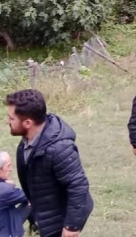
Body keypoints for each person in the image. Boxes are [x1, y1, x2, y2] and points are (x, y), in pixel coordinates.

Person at [5, 89, 93, 237]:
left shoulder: (60, 148)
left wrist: (71, 226)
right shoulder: (29, 138)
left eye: (11, 118)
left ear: (28, 123)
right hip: (43, 210)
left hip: (60, 217)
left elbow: (78, 186)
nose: (8, 121)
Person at [0, 151, 30, 237]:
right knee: (32, 200)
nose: (11, 169)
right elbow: (29, 195)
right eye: (8, 166)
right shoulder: (4, 190)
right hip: (5, 233)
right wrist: (11, 186)